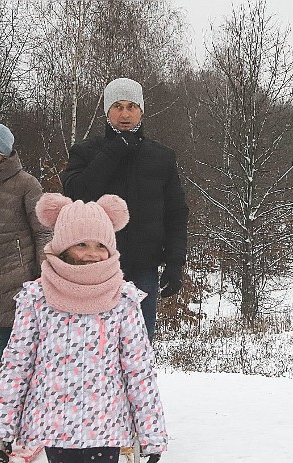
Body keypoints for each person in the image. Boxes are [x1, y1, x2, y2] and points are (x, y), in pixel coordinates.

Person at [0, 193, 168, 463]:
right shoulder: (37, 299)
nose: (91, 252)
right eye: (81, 244)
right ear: (62, 245)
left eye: (100, 245)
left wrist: (151, 433)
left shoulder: (124, 302)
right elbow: (17, 364)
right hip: (56, 426)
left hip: (104, 425)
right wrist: (2, 426)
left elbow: (139, 370)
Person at [61, 77, 189, 340]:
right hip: (95, 267)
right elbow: (76, 194)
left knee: (139, 348)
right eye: (117, 106)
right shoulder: (86, 152)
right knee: (95, 347)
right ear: (107, 111)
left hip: (144, 268)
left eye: (131, 106)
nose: (125, 114)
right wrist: (113, 152)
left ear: (141, 110)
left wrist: (175, 264)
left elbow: (176, 214)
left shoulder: (161, 157)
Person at [0, 123, 51, 382]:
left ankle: (17, 386)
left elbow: (43, 230)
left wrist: (45, 272)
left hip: (24, 271)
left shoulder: (27, 184)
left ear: (3, 149)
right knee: (4, 329)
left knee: (22, 333)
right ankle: (7, 384)